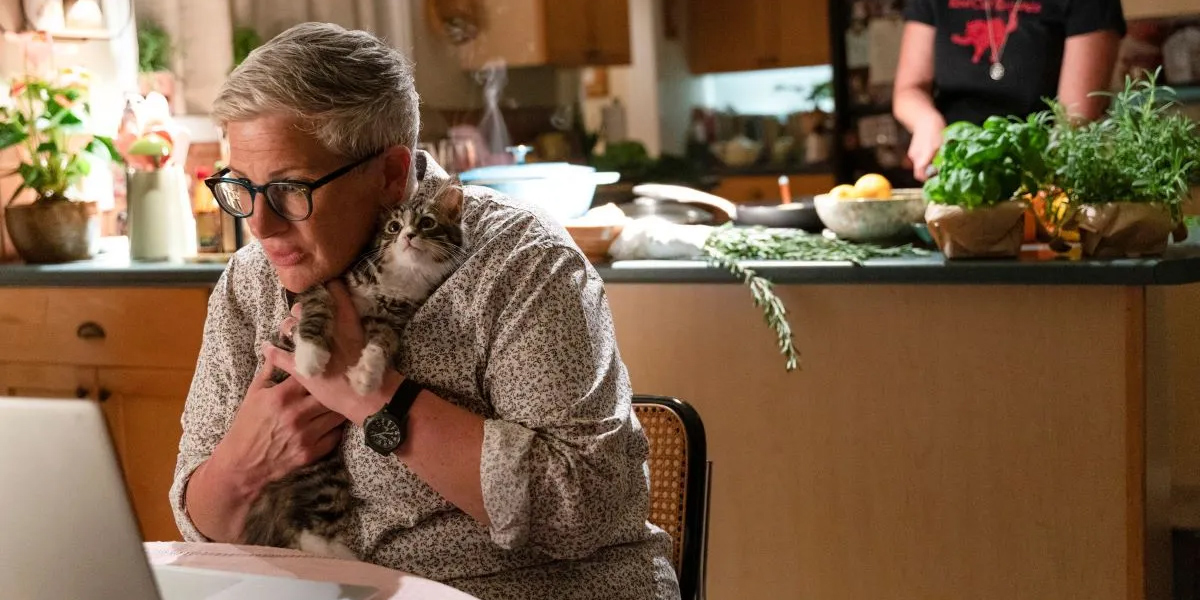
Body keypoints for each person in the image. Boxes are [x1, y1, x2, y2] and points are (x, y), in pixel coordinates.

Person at [169, 22, 680, 600]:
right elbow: (199, 525)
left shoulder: (521, 263)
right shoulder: (251, 281)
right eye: (242, 187)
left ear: (390, 174)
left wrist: (372, 395)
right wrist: (246, 460)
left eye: (291, 188)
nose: (259, 226)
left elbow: (587, 507)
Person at [893, 0, 1126, 181]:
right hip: (953, 173)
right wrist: (926, 121)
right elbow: (909, 91)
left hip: (1042, 176)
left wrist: (1039, 184)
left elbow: (1075, 120)